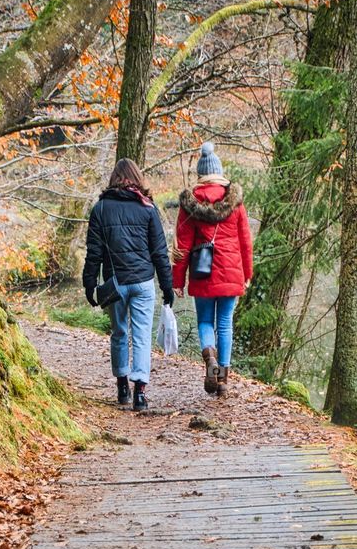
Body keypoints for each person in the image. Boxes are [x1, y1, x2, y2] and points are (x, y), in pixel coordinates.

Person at [83, 158, 174, 413]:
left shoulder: (100, 209)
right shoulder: (147, 208)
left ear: (114, 179)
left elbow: (94, 253)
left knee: (120, 332)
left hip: (116, 283)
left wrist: (89, 283)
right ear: (137, 178)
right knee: (142, 336)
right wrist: (167, 286)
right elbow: (160, 252)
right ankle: (140, 393)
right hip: (143, 282)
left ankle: (122, 385)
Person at [172, 141, 253, 398]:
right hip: (231, 272)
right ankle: (223, 382)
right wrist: (248, 274)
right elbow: (245, 242)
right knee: (225, 323)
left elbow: (182, 246)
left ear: (200, 174)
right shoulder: (235, 203)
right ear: (219, 172)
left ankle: (210, 360)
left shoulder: (189, 204)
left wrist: (177, 281)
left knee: (205, 321)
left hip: (202, 272)